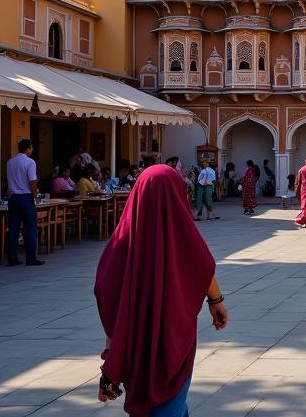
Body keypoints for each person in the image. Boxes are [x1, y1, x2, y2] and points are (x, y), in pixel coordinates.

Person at [94, 165, 229, 416]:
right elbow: (203, 265)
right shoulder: (183, 236)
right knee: (171, 401)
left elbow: (109, 299)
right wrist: (216, 300)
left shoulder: (120, 243)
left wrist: (112, 353)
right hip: (173, 344)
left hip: (135, 346)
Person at [6, 138, 43, 267]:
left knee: (13, 229)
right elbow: (32, 181)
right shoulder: (30, 162)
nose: (32, 150)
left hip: (13, 198)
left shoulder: (10, 162)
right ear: (28, 149)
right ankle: (31, 257)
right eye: (31, 148)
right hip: (25, 197)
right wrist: (35, 194)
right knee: (31, 227)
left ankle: (11, 257)